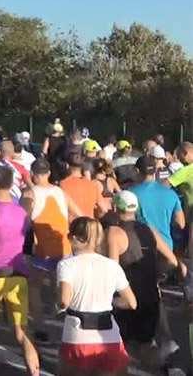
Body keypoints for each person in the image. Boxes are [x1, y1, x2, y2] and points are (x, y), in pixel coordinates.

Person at [105, 191, 188, 368]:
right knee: (145, 347)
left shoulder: (114, 233)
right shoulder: (149, 229)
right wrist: (154, 274)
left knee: (123, 349)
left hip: (126, 299)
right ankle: (171, 370)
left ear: (115, 208)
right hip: (150, 295)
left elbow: (112, 270)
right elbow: (172, 261)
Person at [0, 164, 40, 375]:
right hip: (18, 275)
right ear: (12, 184)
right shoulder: (22, 212)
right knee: (21, 331)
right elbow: (28, 245)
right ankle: (34, 369)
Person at [56, 217, 138, 376]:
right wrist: (108, 301)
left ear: (73, 238)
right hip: (109, 337)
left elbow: (64, 301)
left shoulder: (66, 265)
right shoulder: (112, 266)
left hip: (78, 336)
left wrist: (58, 306)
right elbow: (132, 302)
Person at [23, 158, 81, 342]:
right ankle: (68, 323)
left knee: (34, 287)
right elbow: (79, 215)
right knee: (62, 286)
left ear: (32, 174)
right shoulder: (61, 192)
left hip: (41, 249)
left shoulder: (29, 195)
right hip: (63, 247)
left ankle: (41, 327)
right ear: (48, 173)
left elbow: (22, 222)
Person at [61, 153, 105, 220]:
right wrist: (94, 218)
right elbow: (103, 209)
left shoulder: (62, 185)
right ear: (82, 167)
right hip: (88, 223)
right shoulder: (92, 185)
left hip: (71, 224)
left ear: (67, 166)